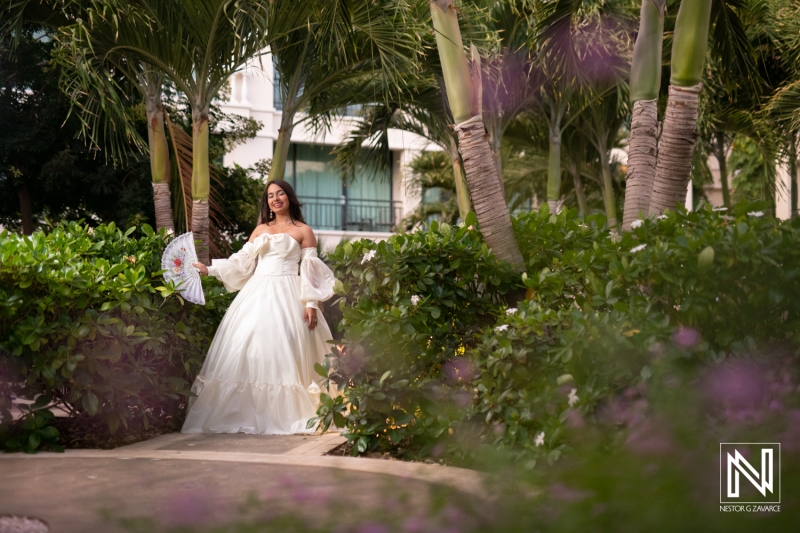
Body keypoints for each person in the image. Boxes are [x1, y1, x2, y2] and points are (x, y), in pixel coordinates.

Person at [182, 180, 336, 434]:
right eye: (270, 196)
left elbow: (311, 271)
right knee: (250, 344)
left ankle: (289, 415)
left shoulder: (304, 230)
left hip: (290, 293)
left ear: (289, 197)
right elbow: (242, 262)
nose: (275, 199)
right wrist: (209, 269)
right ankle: (244, 413)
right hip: (257, 292)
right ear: (267, 203)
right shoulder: (260, 229)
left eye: (280, 193)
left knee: (285, 346)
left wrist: (310, 303)